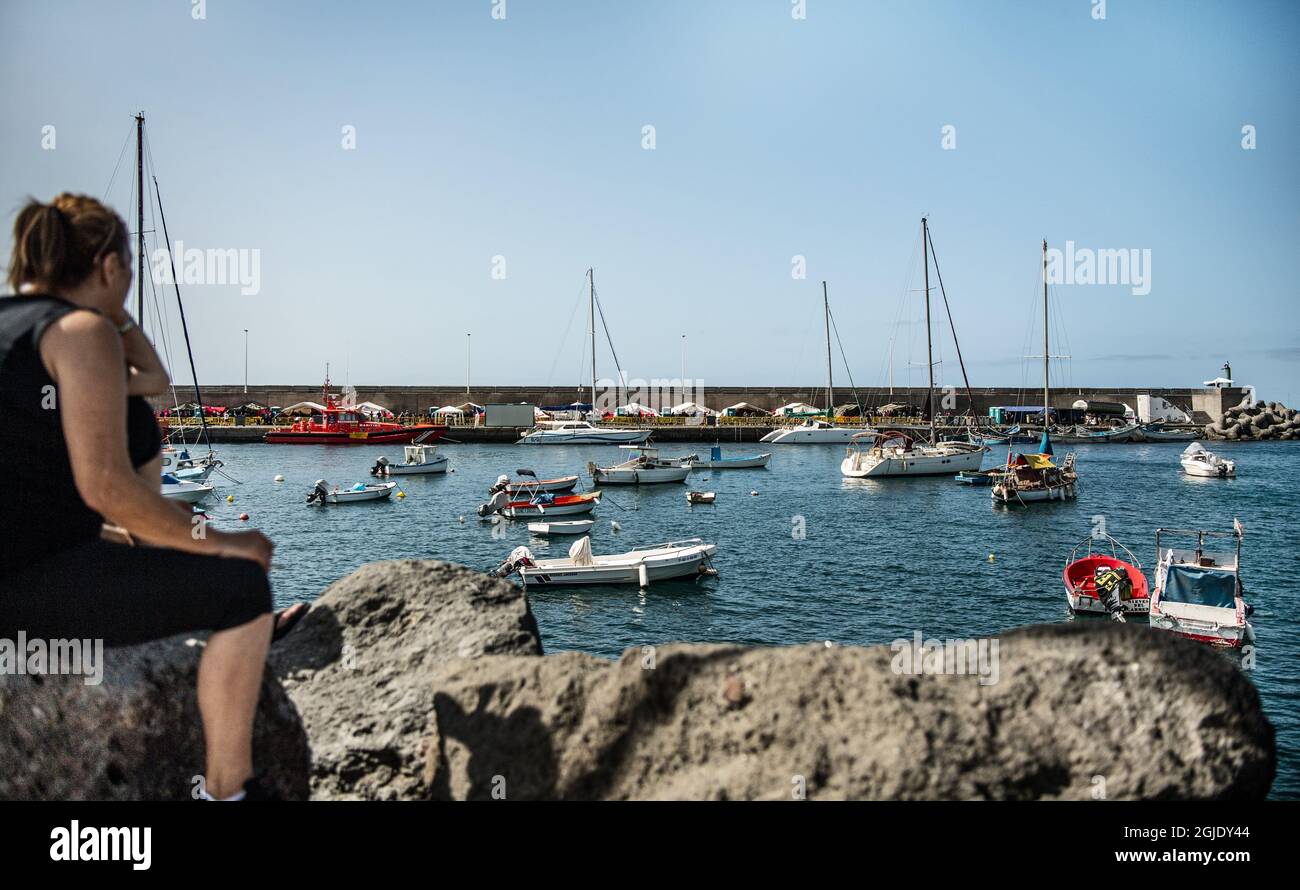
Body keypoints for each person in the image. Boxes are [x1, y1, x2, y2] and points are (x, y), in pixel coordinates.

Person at [0, 194, 304, 801]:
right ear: (110, 266)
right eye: (128, 271)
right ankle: (229, 791)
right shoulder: (77, 330)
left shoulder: (17, 325)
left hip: (27, 563)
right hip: (30, 588)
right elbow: (106, 487)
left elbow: (149, 383)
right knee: (242, 589)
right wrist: (224, 542)